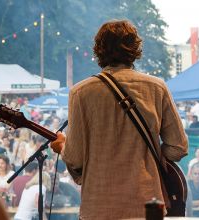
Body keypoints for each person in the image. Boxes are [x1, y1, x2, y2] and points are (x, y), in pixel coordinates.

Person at [50, 19, 188, 219]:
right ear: (134, 49)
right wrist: (149, 157)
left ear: (99, 50)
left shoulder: (80, 92)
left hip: (99, 206)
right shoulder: (156, 87)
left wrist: (62, 146)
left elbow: (75, 158)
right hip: (147, 205)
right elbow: (178, 147)